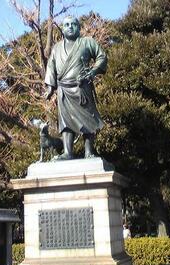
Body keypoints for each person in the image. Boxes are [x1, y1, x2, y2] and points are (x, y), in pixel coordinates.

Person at [44, 16, 107, 160]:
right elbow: (51, 67)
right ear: (63, 29)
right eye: (66, 25)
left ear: (79, 28)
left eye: (74, 24)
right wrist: (50, 87)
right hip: (64, 90)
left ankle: (89, 152)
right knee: (65, 121)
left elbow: (102, 57)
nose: (70, 27)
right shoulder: (57, 48)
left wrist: (93, 71)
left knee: (88, 119)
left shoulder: (87, 42)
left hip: (82, 87)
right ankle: (68, 152)